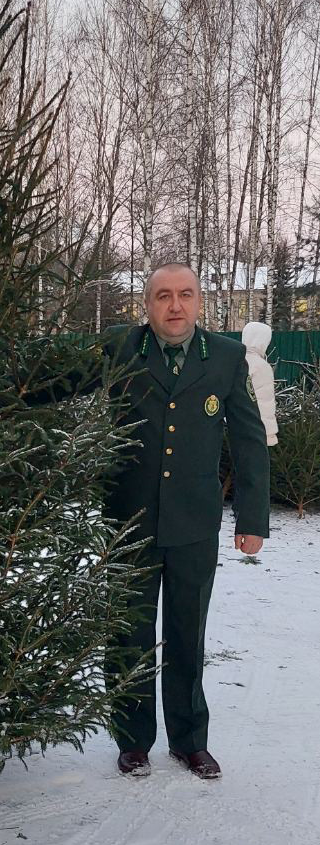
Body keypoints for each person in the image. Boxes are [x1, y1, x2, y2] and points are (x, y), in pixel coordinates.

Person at [101, 263, 270, 780]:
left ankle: (189, 741)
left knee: (186, 632)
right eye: (162, 296)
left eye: (185, 295)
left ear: (200, 301)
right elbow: (55, 387)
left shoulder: (225, 356)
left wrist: (253, 517)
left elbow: (248, 439)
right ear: (146, 305)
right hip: (127, 521)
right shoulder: (120, 348)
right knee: (127, 634)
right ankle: (132, 741)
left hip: (195, 524)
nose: (175, 306)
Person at [241, 322, 278, 446]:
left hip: (237, 426)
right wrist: (269, 435)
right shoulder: (261, 366)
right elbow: (264, 403)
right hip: (258, 432)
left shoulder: (236, 360)